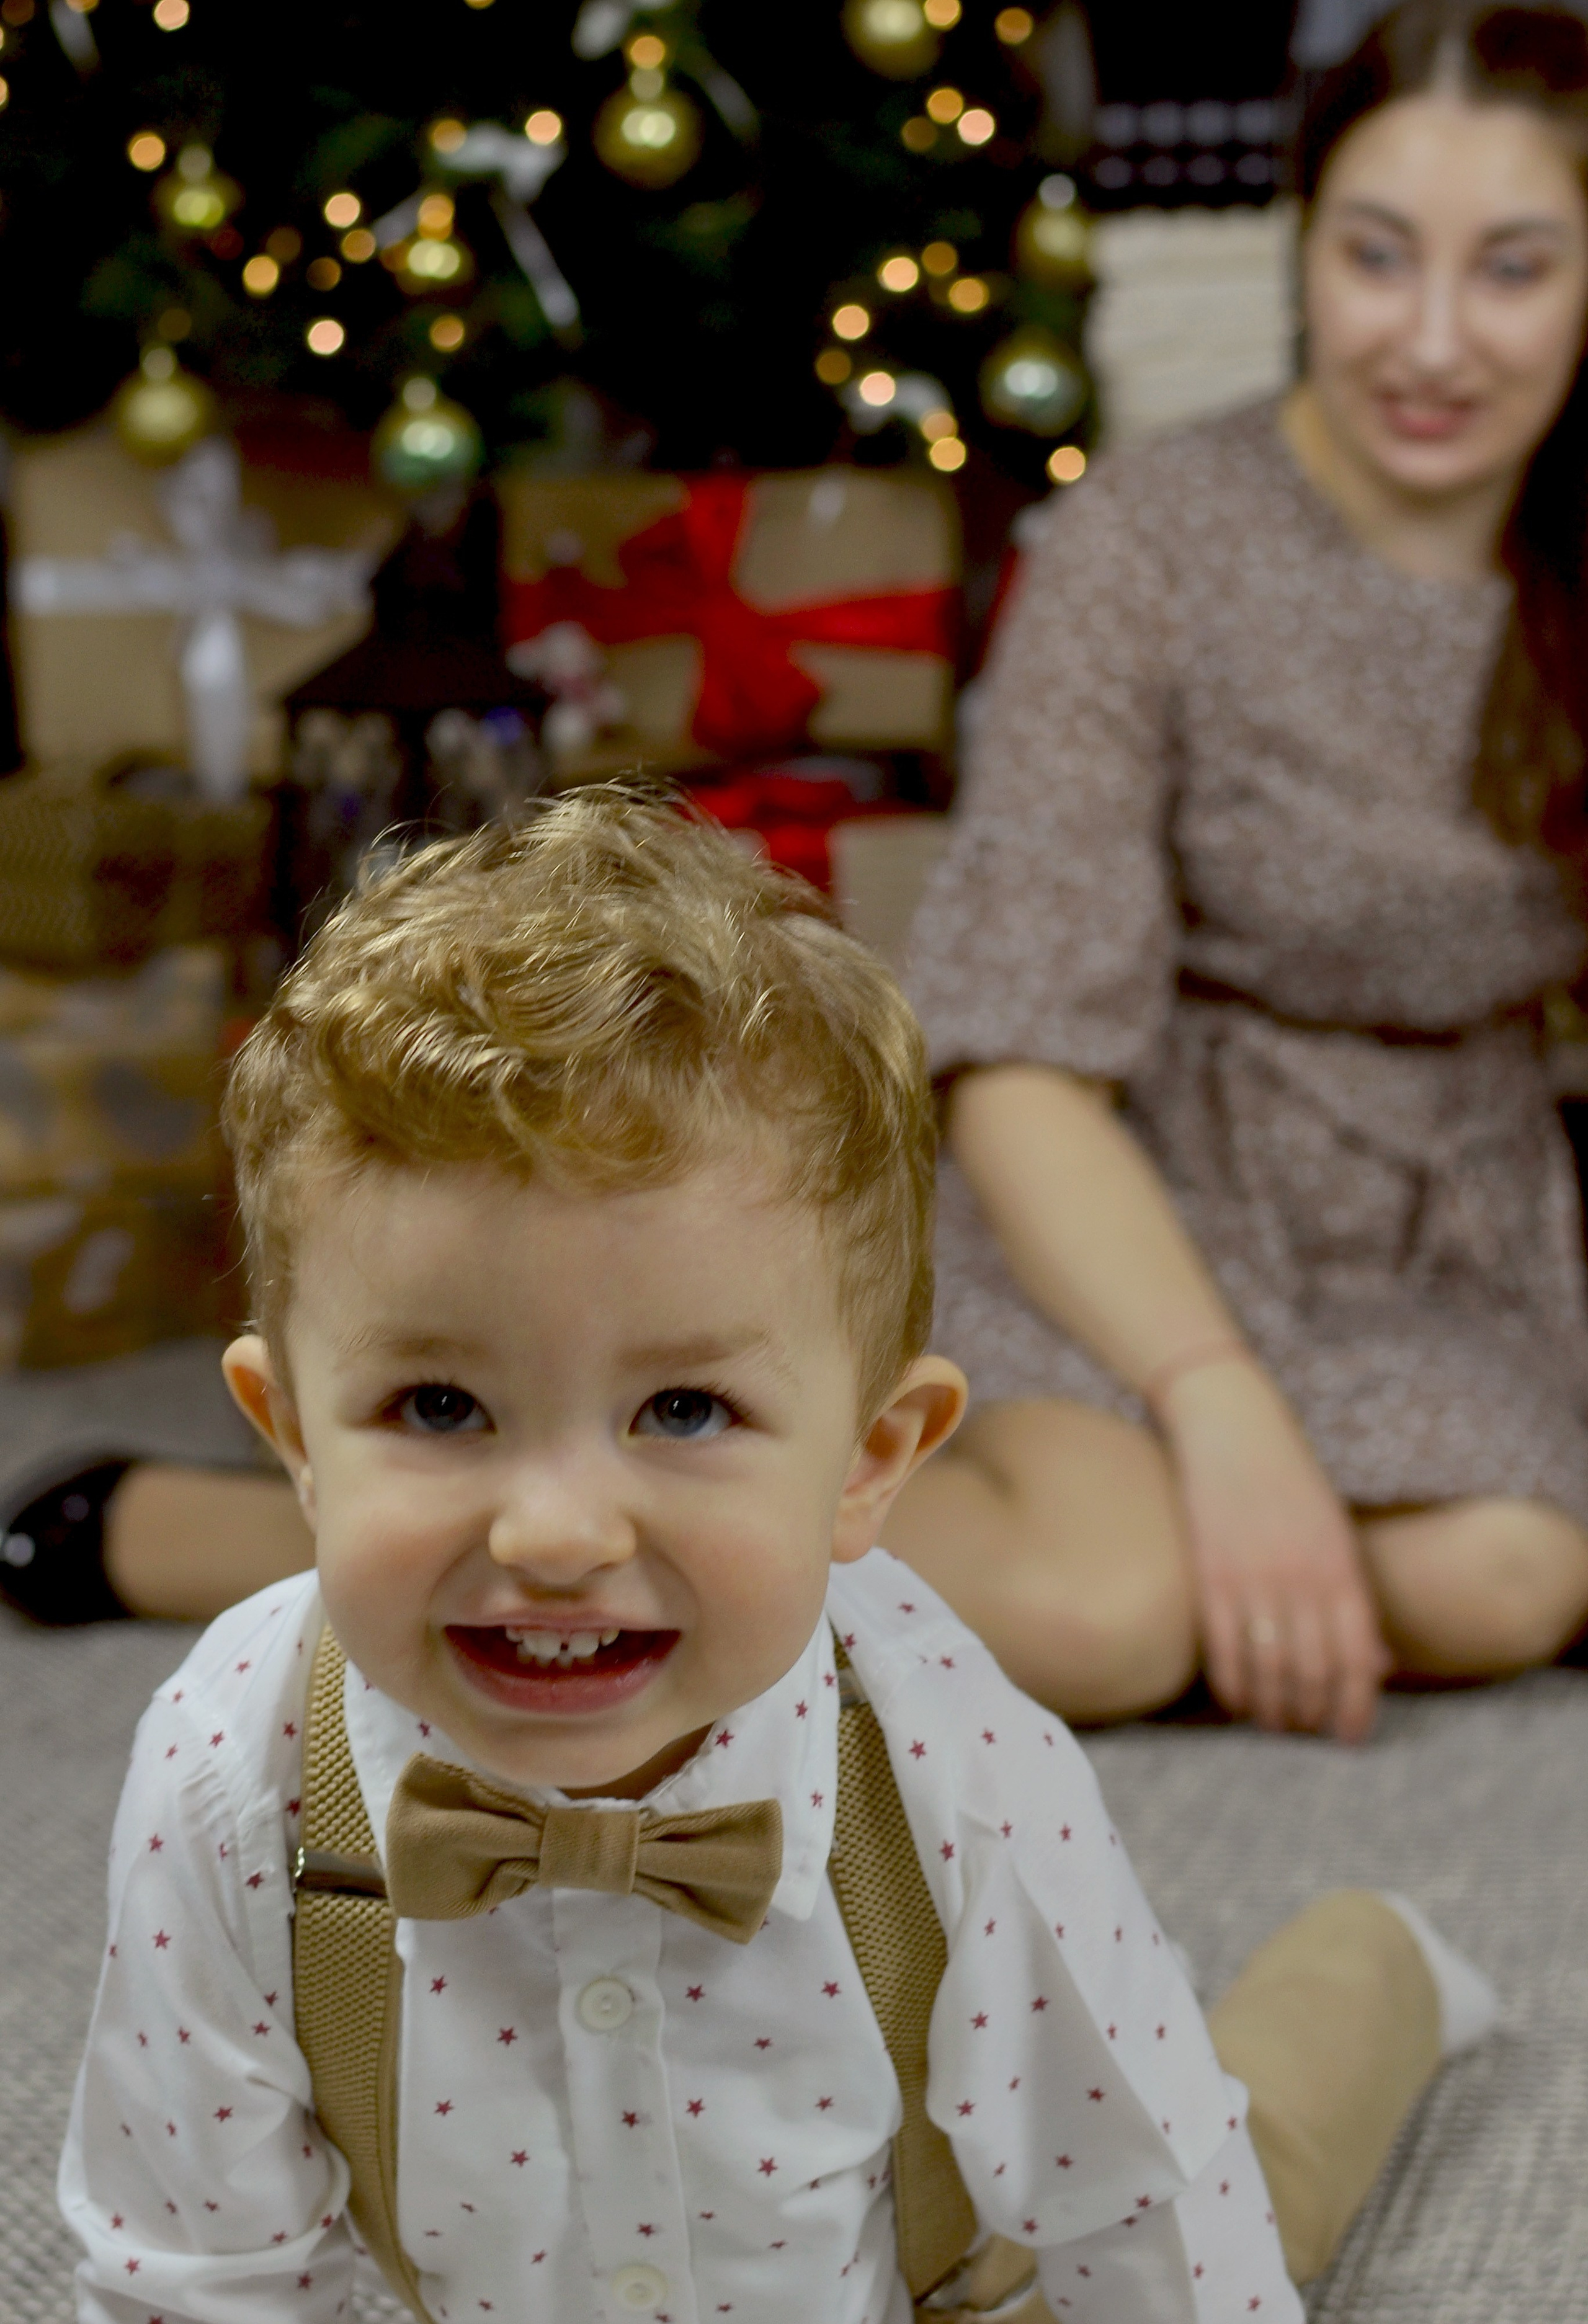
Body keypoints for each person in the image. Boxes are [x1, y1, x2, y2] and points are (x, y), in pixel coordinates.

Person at [58, 796, 1488, 2323]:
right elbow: (190, 2271)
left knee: (1257, 2131)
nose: (553, 1534)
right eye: (437, 1404)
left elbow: (1143, 2190)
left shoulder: (949, 1749)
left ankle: (1383, 1954)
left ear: (869, 1460)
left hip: (953, 2287)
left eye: (681, 1408)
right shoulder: (233, 1768)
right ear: (290, 1436)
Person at [886, 0, 1588, 1743]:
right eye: (1375, 257)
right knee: (1103, 1615)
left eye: (1513, 269)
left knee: (1511, 1575)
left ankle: (1191, 1539)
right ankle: (275, 1531)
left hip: (1432, 1224)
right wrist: (1217, 1407)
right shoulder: (1149, 540)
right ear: (1303, 251)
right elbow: (1020, 1068)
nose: (1432, 341)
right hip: (1114, 1187)